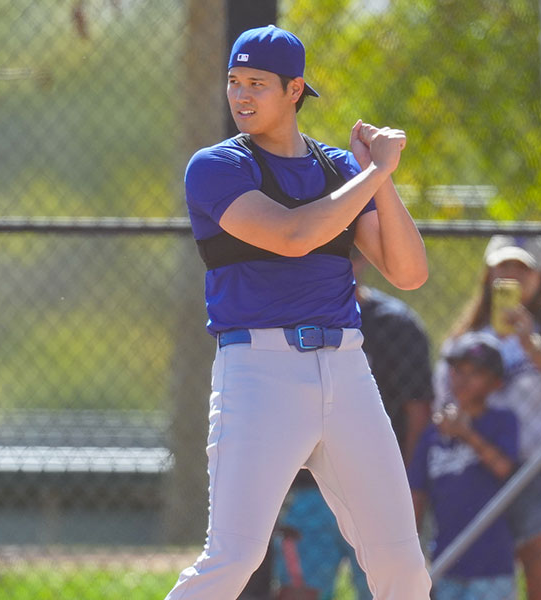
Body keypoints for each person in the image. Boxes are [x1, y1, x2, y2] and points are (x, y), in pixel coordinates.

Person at [166, 24, 432, 600]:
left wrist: (378, 178)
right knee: (232, 560)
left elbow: (409, 272)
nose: (240, 95)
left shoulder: (337, 168)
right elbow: (291, 235)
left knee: (403, 568)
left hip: (346, 370)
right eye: (234, 81)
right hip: (259, 372)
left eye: (258, 83)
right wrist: (377, 171)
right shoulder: (216, 166)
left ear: (295, 90)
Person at [435, 235, 541, 600]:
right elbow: (444, 400)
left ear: (540, 276)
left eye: (521, 268)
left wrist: (531, 345)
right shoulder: (469, 334)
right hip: (478, 469)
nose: (511, 276)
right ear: (488, 273)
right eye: (503, 267)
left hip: (539, 468)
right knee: (480, 578)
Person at [272, 248, 434, 599]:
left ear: (362, 258)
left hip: (375, 489)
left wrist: (410, 488)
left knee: (391, 589)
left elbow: (418, 413)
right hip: (306, 491)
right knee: (298, 592)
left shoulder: (395, 326)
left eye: (342, 251)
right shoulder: (284, 323)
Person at [409, 332, 519, 600]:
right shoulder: (432, 434)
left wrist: (466, 434)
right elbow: (417, 495)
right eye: (457, 371)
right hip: (446, 562)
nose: (462, 379)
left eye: (475, 372)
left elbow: (504, 468)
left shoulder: (502, 421)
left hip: (492, 567)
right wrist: (414, 557)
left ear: (495, 383)